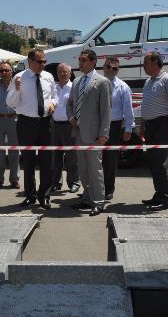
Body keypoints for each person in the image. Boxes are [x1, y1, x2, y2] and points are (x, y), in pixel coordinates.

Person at [7, 49, 57, 209]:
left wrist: (53, 104)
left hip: (45, 123)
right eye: (39, 61)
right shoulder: (18, 78)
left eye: (44, 61)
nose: (43, 64)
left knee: (46, 160)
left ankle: (45, 195)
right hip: (26, 123)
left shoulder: (48, 77)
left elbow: (55, 96)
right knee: (27, 160)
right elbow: (11, 103)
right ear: (30, 61)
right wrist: (16, 89)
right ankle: (30, 195)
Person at [67, 50, 111, 216]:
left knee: (95, 169)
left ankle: (99, 202)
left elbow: (106, 111)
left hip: (94, 135)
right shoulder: (77, 81)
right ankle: (87, 198)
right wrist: (71, 116)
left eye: (83, 60)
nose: (80, 63)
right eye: (79, 60)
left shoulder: (102, 82)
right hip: (78, 133)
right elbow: (70, 104)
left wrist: (103, 134)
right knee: (83, 170)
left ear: (93, 62)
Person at [140, 52, 168, 211]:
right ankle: (158, 194)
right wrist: (143, 126)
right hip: (151, 126)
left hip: (163, 125)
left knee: (160, 163)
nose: (144, 66)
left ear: (155, 63)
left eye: (146, 62)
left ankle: (164, 199)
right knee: (153, 162)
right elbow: (146, 104)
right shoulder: (149, 81)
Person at [102, 57, 135, 200]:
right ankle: (95, 187)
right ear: (103, 67)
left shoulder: (123, 87)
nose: (111, 70)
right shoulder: (96, 83)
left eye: (115, 68)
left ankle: (108, 189)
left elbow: (128, 110)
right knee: (94, 158)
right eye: (109, 67)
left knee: (110, 160)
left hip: (113, 126)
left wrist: (128, 128)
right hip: (96, 125)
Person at [0, 61, 20, 189]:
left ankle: (14, 179)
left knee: (14, 151)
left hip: (14, 120)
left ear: (11, 72)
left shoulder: (17, 85)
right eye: (1, 71)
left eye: (6, 70)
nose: (4, 73)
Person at [51, 63, 80, 194]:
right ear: (57, 73)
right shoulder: (53, 88)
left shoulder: (75, 87)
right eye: (60, 72)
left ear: (70, 73)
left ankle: (74, 182)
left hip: (69, 126)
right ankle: (56, 182)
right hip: (54, 126)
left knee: (71, 157)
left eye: (65, 72)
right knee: (55, 157)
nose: (62, 74)